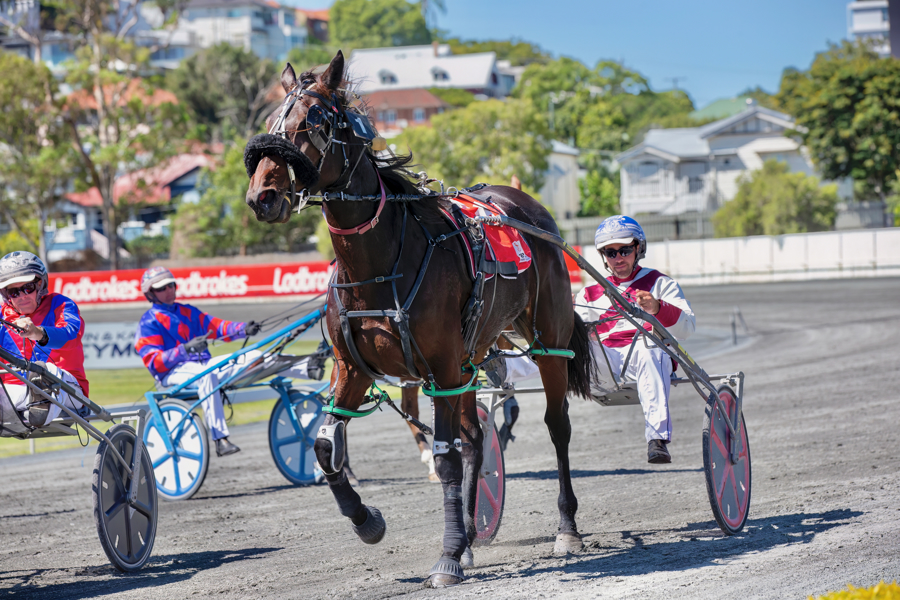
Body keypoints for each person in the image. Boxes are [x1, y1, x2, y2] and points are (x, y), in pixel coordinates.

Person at [134, 267, 326, 457]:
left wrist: (243, 329)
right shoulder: (149, 322)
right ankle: (220, 439)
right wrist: (185, 350)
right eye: (162, 288)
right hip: (172, 374)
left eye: (171, 285)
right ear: (150, 293)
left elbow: (218, 327)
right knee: (207, 374)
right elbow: (154, 362)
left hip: (204, 367)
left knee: (254, 356)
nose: (169, 291)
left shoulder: (188, 312)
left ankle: (308, 367)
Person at [574, 216, 695, 464]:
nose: (618, 258)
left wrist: (657, 307)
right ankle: (506, 368)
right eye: (610, 253)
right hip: (604, 365)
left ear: (638, 248)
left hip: (645, 357)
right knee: (562, 344)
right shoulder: (589, 292)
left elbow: (687, 327)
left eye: (624, 250)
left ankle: (657, 439)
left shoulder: (660, 283)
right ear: (603, 256)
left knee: (649, 346)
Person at [0, 252, 89, 427]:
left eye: (28, 288)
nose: (22, 296)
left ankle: (40, 405)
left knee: (45, 371)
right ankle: (35, 406)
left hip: (67, 391)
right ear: (5, 293)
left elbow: (71, 335)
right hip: (16, 394)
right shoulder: (2, 315)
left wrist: (37, 332)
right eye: (14, 292)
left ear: (40, 284)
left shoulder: (61, 305)